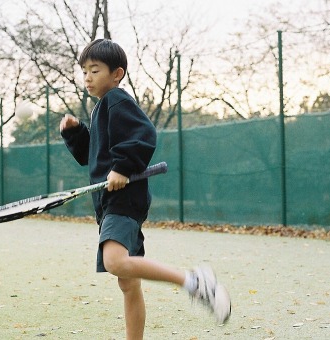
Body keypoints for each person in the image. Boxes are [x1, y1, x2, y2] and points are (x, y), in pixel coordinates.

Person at [60, 39, 231, 339]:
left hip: (123, 199)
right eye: (84, 71)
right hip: (111, 202)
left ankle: (194, 281)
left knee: (115, 262)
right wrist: (76, 133)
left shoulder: (117, 100)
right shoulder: (101, 108)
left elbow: (144, 134)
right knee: (128, 282)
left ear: (117, 74)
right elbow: (93, 156)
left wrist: (123, 167)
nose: (87, 77)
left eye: (94, 70)